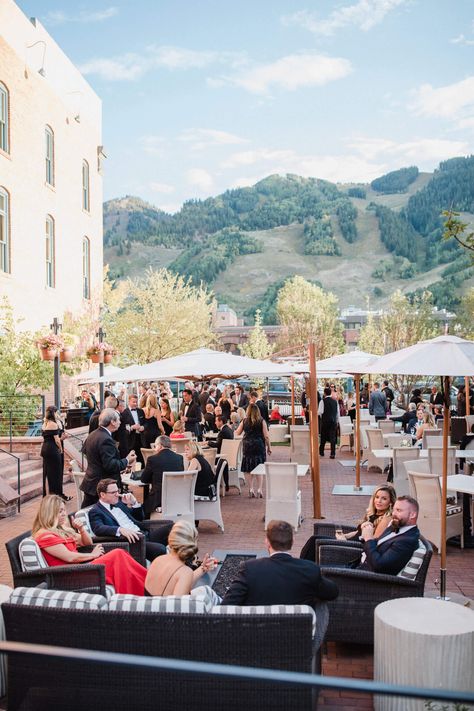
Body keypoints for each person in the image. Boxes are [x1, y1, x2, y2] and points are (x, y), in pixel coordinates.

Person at [32, 495, 147, 595]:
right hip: (71, 575)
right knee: (117, 554)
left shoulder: (60, 530)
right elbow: (70, 557)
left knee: (120, 555)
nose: (64, 514)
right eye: (60, 511)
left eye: (64, 510)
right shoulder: (45, 535)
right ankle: (146, 587)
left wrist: (81, 529)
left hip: (81, 569)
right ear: (50, 512)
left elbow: (88, 543)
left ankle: (148, 583)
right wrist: (93, 555)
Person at [222, 520, 338, 606]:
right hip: (296, 636)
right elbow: (333, 592)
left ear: (267, 542)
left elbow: (227, 605)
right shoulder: (310, 569)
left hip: (256, 636)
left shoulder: (250, 569)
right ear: (292, 542)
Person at [300, 485, 397, 560]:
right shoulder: (373, 514)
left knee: (315, 540)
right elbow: (358, 532)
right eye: (377, 497)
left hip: (353, 548)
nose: (379, 501)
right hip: (348, 541)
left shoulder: (386, 519)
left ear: (391, 502)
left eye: (384, 499)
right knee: (314, 541)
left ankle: (300, 570)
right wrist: (345, 536)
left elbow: (373, 542)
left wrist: (344, 541)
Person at [88, 479, 172, 561]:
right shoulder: (95, 511)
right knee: (160, 549)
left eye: (118, 491)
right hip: (133, 542)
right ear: (102, 494)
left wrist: (134, 503)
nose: (117, 494)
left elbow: (139, 518)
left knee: (176, 528)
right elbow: (98, 528)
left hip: (144, 534)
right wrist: (120, 530)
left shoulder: (119, 503)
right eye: (113, 492)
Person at [81, 408, 137, 508]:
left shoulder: (92, 434)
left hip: (91, 482)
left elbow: (85, 452)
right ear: (112, 422)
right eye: (118, 420)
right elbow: (110, 465)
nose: (120, 422)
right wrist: (127, 460)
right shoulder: (106, 439)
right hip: (102, 486)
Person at [144, 520, 215, 596]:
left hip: (150, 606)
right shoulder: (184, 572)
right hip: (167, 607)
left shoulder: (157, 560)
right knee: (208, 593)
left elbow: (182, 583)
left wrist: (202, 568)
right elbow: (180, 606)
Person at [357, 495, 420, 575]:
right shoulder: (396, 525)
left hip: (366, 577)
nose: (393, 514)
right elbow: (378, 542)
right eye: (393, 510)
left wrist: (369, 539)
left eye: (399, 510)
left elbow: (379, 565)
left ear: (412, 515)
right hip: (359, 565)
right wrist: (366, 533)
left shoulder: (407, 540)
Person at [140, 435, 184, 514]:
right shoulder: (179, 458)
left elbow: (144, 479)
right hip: (176, 497)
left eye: (155, 445)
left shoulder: (152, 459)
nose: (155, 448)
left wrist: (154, 478)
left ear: (160, 446)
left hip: (158, 499)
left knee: (140, 511)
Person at [235, 403, 271, 498]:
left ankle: (251, 488)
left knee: (248, 467)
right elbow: (266, 436)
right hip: (259, 445)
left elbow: (238, 432)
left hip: (247, 445)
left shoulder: (244, 421)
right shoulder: (261, 421)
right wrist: (269, 448)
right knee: (259, 466)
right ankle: (259, 489)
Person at [41, 405, 71, 501]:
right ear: (53, 413)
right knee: (56, 473)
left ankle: (50, 495)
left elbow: (47, 437)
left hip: (46, 449)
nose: (58, 413)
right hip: (53, 450)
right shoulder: (53, 424)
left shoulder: (45, 423)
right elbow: (57, 440)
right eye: (57, 412)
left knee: (48, 473)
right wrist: (61, 448)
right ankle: (55, 496)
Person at [121, 394, 146, 464]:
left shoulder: (141, 411)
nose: (135, 404)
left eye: (136, 402)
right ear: (129, 401)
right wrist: (132, 427)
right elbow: (123, 427)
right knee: (132, 460)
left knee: (141, 459)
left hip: (141, 438)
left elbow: (145, 423)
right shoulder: (124, 413)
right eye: (133, 402)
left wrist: (143, 427)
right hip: (130, 439)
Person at [318, 386, 339, 459]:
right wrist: (337, 421)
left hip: (325, 421)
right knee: (332, 438)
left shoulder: (322, 401)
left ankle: (321, 452)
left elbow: (320, 412)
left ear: (324, 393)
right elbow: (337, 413)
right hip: (333, 421)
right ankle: (332, 453)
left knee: (323, 437)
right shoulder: (335, 402)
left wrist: (322, 418)